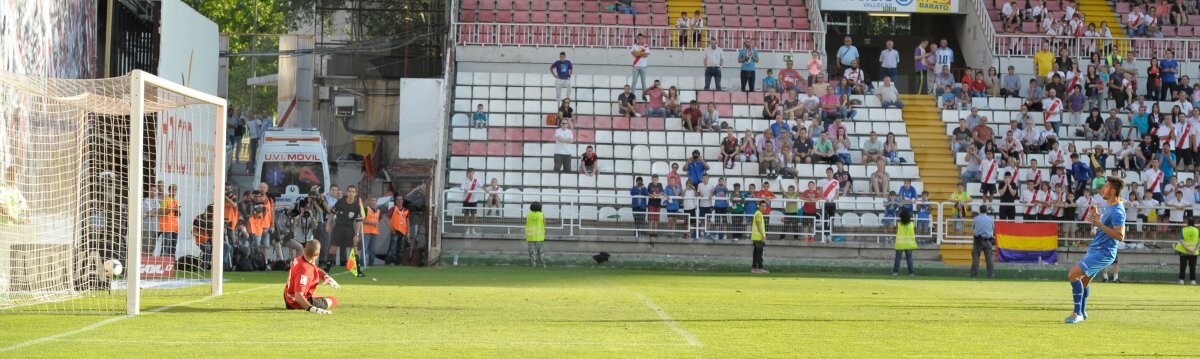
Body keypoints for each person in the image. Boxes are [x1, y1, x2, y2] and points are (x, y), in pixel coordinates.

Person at [1064, 177, 1126, 324]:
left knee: (1073, 275)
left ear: (1112, 190)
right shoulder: (1110, 206)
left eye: (1105, 187)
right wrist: (1098, 216)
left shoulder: (1117, 210)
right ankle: (1082, 312)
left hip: (1103, 252)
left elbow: (1120, 236)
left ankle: (1077, 313)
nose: (1102, 189)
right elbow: (1104, 226)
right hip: (1096, 249)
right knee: (1084, 282)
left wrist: (1098, 223)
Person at [285, 240, 341, 314]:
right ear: (318, 254)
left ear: (304, 249)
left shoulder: (301, 258)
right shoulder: (305, 271)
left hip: (288, 297)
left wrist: (326, 277)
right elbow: (298, 296)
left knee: (322, 297)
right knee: (333, 299)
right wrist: (312, 308)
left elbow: (315, 269)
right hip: (296, 303)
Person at [326, 185, 366, 277]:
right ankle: (327, 270)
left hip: (349, 229)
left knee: (354, 248)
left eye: (353, 192)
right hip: (338, 228)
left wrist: (357, 234)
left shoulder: (357, 206)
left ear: (355, 194)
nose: (351, 193)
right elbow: (332, 212)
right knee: (333, 248)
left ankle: (358, 271)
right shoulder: (340, 202)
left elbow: (358, 221)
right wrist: (328, 223)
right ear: (347, 192)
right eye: (350, 191)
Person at [971, 206, 996, 279]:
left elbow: (973, 228)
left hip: (977, 240)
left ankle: (974, 273)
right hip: (987, 240)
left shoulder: (976, 219)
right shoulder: (990, 219)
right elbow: (992, 229)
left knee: (975, 257)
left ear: (979, 210)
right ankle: (991, 274)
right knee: (989, 259)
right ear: (986, 211)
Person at [158, 184, 180, 259]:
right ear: (169, 190)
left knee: (173, 247)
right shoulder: (165, 200)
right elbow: (162, 212)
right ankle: (162, 263)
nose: (174, 191)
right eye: (172, 189)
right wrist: (172, 209)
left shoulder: (176, 201)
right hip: (166, 227)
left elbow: (177, 215)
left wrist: (178, 211)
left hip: (175, 227)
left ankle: (171, 264)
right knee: (165, 247)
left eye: (175, 189)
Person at [385, 197, 410, 265]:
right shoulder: (392, 209)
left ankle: (397, 263)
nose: (399, 201)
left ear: (402, 201)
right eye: (398, 200)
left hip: (403, 232)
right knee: (392, 248)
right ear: (395, 201)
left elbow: (407, 222)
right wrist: (391, 229)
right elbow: (386, 219)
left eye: (401, 200)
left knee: (401, 249)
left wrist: (408, 233)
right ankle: (387, 263)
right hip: (395, 232)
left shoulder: (406, 210)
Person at [893, 209, 917, 276]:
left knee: (897, 259)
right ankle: (911, 273)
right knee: (909, 259)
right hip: (909, 244)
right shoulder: (912, 224)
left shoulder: (899, 224)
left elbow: (895, 230)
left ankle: (895, 272)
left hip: (900, 244)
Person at [461, 168, 482, 235]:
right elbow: (461, 188)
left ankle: (472, 228)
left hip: (474, 200)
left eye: (472, 172)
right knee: (466, 214)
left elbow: (482, 186)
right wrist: (465, 189)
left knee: (473, 215)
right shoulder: (464, 180)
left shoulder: (476, 180)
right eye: (469, 172)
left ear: (473, 173)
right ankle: (466, 228)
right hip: (466, 200)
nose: (470, 174)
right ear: (467, 173)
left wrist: (487, 191)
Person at [1177, 217, 1198, 285]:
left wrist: (1187, 249)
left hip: (1183, 251)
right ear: (1194, 223)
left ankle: (1181, 280)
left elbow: (1181, 241)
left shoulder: (1183, 230)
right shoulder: (1197, 230)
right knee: (1193, 266)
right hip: (1194, 252)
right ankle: (1193, 280)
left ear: (1187, 223)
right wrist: (1194, 250)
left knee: (1183, 266)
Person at [525, 201, 546, 268]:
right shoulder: (542, 215)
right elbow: (544, 224)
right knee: (540, 251)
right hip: (540, 237)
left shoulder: (528, 215)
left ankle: (533, 264)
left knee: (532, 251)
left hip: (530, 237)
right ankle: (543, 264)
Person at [750, 198, 767, 273]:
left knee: (756, 253)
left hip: (756, 237)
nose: (763, 208)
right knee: (759, 254)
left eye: (764, 206)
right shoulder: (759, 214)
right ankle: (760, 268)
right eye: (762, 206)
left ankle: (754, 268)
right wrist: (762, 236)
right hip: (758, 238)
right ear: (759, 206)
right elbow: (758, 224)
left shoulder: (757, 213)